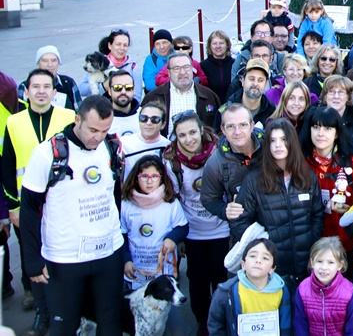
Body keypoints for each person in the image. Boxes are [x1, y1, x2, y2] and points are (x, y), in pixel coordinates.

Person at [19, 95, 124, 336]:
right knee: (64, 325)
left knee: (110, 322)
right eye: (93, 129)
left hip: (108, 252)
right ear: (78, 119)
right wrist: (32, 261)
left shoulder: (111, 146)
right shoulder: (47, 153)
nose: (97, 137)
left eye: (105, 130)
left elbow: (115, 193)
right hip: (65, 257)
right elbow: (29, 209)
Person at [2, 68, 77, 327]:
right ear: (26, 91)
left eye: (47, 87)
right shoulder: (14, 122)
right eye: (36, 87)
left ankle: (66, 310)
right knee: (32, 258)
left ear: (55, 93)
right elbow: (7, 167)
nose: (41, 91)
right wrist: (13, 206)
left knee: (62, 257)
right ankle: (42, 313)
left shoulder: (69, 117)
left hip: (63, 204)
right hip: (29, 207)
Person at [231, 119, 324, 287]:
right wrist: (263, 245)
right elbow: (240, 222)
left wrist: (311, 239)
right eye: (272, 141)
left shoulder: (308, 177)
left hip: (305, 267)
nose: (278, 145)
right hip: (272, 269)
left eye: (283, 140)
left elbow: (317, 215)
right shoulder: (254, 181)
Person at [161, 110, 229, 334]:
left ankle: (220, 321)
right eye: (182, 135)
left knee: (220, 279)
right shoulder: (171, 160)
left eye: (192, 132)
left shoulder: (221, 150)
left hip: (221, 228)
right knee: (197, 281)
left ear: (201, 130)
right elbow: (173, 197)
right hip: (193, 231)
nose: (188, 139)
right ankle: (202, 322)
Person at [120, 157, 188, 335]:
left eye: (154, 176)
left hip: (163, 276)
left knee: (177, 331)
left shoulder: (170, 203)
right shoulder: (126, 204)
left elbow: (183, 227)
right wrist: (126, 260)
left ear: (162, 178)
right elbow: (121, 235)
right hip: (136, 278)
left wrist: (173, 238)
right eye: (144, 176)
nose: (149, 181)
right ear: (136, 177)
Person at [299, 106, 353, 254]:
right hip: (308, 243)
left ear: (337, 133)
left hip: (345, 244)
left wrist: (350, 210)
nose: (320, 134)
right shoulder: (300, 164)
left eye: (328, 128)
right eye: (316, 127)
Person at [208, 238, 293, 336]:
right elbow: (216, 325)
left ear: (272, 269)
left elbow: (286, 326)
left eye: (265, 258)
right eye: (253, 256)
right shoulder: (226, 293)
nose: (258, 261)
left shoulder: (282, 291)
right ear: (243, 264)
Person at [201, 103, 264, 227]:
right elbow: (208, 199)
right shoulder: (216, 163)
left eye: (243, 125)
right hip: (243, 228)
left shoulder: (270, 146)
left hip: (277, 223)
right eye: (231, 126)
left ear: (252, 126)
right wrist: (225, 210)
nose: (237, 132)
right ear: (223, 130)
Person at [293, 237, 353, 336]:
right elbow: (300, 325)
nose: (324, 268)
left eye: (331, 262)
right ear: (312, 263)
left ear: (340, 265)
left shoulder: (348, 291)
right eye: (319, 261)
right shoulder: (303, 289)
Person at [142, 52, 221, 133]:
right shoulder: (153, 98)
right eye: (176, 68)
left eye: (186, 67)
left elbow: (218, 129)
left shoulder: (209, 96)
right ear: (168, 72)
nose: (182, 72)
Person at [17, 46, 82, 111]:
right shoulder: (26, 86)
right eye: (45, 61)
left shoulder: (68, 83)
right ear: (38, 64)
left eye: (54, 60)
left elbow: (80, 112)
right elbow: (20, 114)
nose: (50, 64)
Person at [223, 58, 276, 127]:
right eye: (251, 79)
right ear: (243, 81)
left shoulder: (272, 112)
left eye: (260, 80)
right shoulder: (225, 110)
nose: (255, 83)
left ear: (266, 84)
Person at [202, 30, 235, 103]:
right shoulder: (203, 66)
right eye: (214, 43)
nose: (218, 46)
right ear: (210, 46)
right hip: (211, 107)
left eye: (221, 43)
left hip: (232, 107)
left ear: (227, 45)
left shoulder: (235, 64)